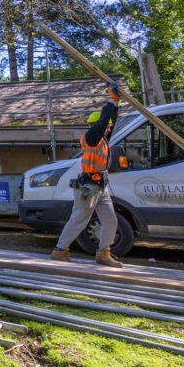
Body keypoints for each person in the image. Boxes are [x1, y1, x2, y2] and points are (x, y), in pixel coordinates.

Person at [51, 82, 123, 267]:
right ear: (97, 125)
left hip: (100, 187)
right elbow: (104, 121)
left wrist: (116, 102)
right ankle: (60, 250)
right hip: (88, 187)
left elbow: (111, 120)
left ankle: (103, 253)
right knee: (79, 219)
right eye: (105, 126)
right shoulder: (92, 137)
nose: (109, 128)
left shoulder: (103, 139)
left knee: (111, 221)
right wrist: (110, 99)